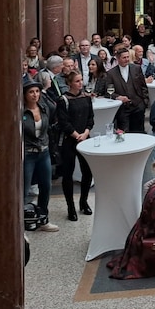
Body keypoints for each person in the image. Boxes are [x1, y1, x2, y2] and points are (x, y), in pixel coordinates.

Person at [54, 71, 95, 222]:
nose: (80, 83)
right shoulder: (63, 99)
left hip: (85, 138)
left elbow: (91, 118)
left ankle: (83, 202)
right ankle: (70, 206)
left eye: (81, 80)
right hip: (69, 140)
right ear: (70, 83)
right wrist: (76, 134)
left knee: (87, 172)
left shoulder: (86, 98)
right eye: (77, 81)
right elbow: (63, 122)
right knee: (68, 174)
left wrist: (85, 133)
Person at [21, 79, 59, 232]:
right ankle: (22, 224)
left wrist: (45, 91)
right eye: (31, 92)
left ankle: (43, 219)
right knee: (24, 189)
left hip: (43, 152)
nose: (35, 95)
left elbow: (54, 106)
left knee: (46, 187)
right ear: (25, 95)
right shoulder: (21, 111)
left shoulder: (44, 108)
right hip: (28, 154)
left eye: (37, 91)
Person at [106, 47, 149, 133]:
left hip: (138, 106)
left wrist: (144, 102)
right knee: (125, 133)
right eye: (124, 57)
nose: (126, 59)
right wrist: (118, 97)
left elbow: (143, 86)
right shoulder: (111, 73)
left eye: (128, 57)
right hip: (122, 109)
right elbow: (108, 92)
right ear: (118, 58)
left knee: (139, 133)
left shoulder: (136, 68)